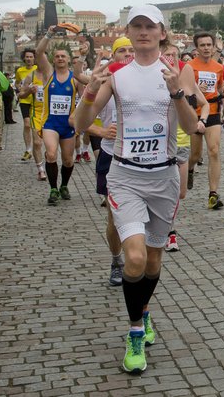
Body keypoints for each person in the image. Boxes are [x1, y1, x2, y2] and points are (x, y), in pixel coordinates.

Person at [73, 4, 198, 375]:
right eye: (136, 26)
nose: (143, 32)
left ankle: (143, 309)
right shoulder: (117, 76)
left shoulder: (176, 74)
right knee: (137, 259)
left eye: (150, 26)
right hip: (126, 176)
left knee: (155, 261)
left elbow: (192, 128)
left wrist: (177, 93)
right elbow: (80, 123)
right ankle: (135, 330)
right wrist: (91, 90)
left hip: (164, 178)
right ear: (129, 31)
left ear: (162, 32)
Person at [85, 37, 133, 285]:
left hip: (139, 159)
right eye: (121, 50)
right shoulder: (104, 85)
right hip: (110, 156)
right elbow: (77, 121)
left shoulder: (147, 83)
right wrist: (102, 131)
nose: (127, 54)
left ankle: (137, 258)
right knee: (115, 217)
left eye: (131, 50)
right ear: (113, 57)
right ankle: (117, 260)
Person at [35, 23, 89, 205]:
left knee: (67, 160)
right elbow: (39, 52)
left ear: (68, 60)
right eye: (57, 56)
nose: (59, 58)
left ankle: (64, 185)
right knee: (51, 154)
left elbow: (84, 99)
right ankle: (53, 189)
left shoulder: (75, 78)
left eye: (63, 56)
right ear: (53, 59)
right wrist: (49, 34)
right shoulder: (48, 73)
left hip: (68, 125)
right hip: (50, 123)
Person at [162, 43, 209, 251]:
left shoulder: (186, 74)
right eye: (167, 54)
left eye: (174, 54)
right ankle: (169, 232)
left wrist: (203, 121)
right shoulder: (155, 77)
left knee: (180, 193)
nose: (171, 57)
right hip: (162, 144)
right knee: (165, 191)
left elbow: (205, 103)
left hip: (182, 142)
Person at [188, 31, 224, 209]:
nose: (206, 48)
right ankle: (189, 168)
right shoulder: (189, 67)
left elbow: (220, 87)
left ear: (213, 47)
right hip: (194, 112)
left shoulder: (219, 67)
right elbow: (184, 91)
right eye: (202, 45)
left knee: (214, 150)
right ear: (196, 48)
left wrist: (223, 93)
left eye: (209, 45)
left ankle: (213, 194)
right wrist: (196, 89)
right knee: (196, 155)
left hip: (213, 112)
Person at [15, 49, 39, 160]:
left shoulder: (38, 69)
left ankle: (37, 146)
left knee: (36, 126)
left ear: (34, 58)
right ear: (24, 58)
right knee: (27, 124)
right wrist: (19, 87)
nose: (29, 59)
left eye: (31, 57)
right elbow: (17, 82)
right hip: (25, 100)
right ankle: (28, 149)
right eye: (27, 57)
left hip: (37, 101)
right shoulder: (20, 70)